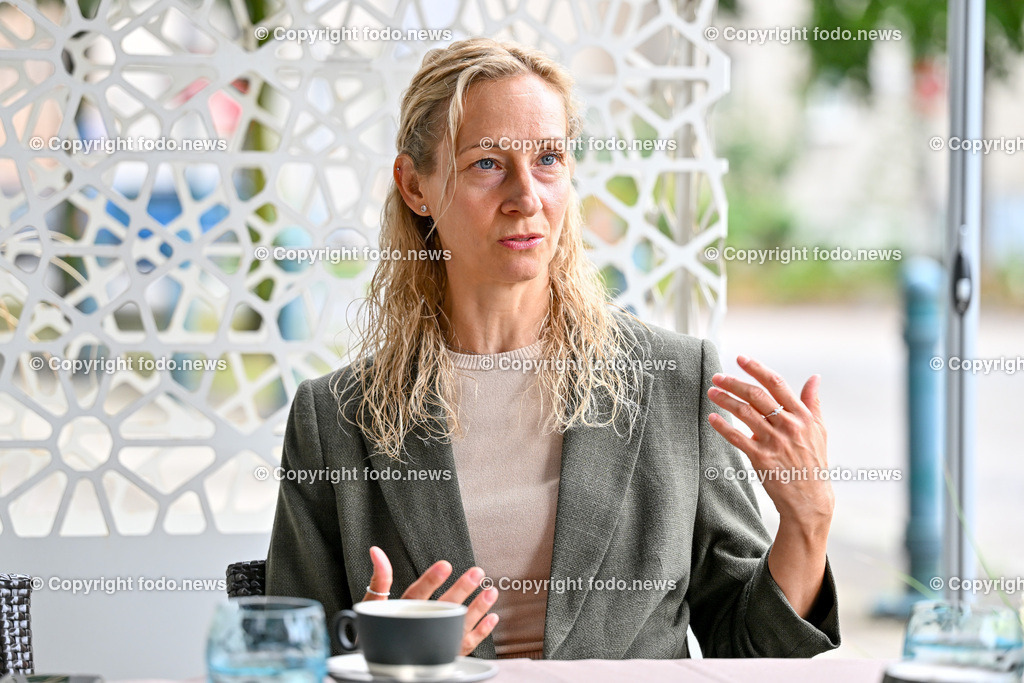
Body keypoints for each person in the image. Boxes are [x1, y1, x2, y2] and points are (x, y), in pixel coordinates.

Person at [266, 37, 840, 660]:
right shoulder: (334, 419)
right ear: (414, 186)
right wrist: (384, 656)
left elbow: (752, 649)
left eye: (548, 159)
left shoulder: (673, 380)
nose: (526, 197)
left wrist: (806, 524)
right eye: (487, 163)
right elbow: (285, 657)